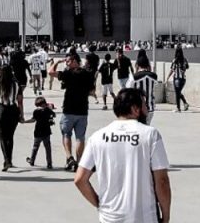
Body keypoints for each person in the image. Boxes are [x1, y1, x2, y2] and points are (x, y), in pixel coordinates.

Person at [74, 88, 172, 223]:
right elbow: (162, 181)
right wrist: (166, 217)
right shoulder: (150, 134)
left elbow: (80, 179)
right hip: (143, 217)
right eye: (144, 105)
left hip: (109, 218)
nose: (147, 110)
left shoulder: (96, 137)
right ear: (135, 109)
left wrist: (100, 205)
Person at [50, 51, 94, 172]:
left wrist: (57, 62)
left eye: (68, 61)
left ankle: (69, 158)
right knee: (80, 138)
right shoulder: (87, 74)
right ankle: (79, 163)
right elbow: (92, 91)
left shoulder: (68, 74)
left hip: (69, 109)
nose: (67, 63)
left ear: (75, 61)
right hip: (82, 110)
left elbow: (50, 72)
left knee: (66, 134)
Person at [0, 65, 22, 171]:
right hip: (13, 110)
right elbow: (20, 100)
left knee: (2, 137)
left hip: (2, 110)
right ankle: (9, 159)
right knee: (10, 137)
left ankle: (6, 160)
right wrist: (22, 114)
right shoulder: (16, 83)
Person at [26, 96, 55, 169]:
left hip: (38, 132)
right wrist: (50, 109)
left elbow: (33, 120)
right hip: (47, 132)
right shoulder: (48, 110)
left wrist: (25, 121)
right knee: (48, 148)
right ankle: (49, 163)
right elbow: (53, 115)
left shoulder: (36, 111)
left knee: (35, 147)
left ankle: (32, 161)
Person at [131, 52, 158, 125]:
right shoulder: (154, 76)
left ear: (138, 65)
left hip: (137, 109)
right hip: (150, 107)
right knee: (147, 126)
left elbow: (129, 90)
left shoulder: (134, 77)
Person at [167, 48, 190, 112]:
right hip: (183, 79)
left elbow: (172, 69)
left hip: (177, 79)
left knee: (177, 93)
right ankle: (185, 103)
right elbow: (187, 67)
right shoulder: (184, 60)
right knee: (178, 92)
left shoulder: (175, 60)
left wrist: (168, 77)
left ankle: (178, 108)